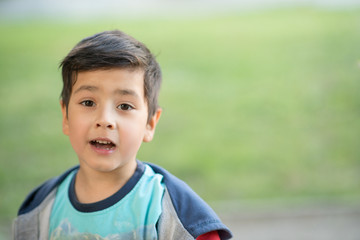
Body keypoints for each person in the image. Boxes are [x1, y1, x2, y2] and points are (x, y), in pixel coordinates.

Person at [13, 30, 233, 240]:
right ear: (66, 116)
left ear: (150, 124)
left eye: (125, 106)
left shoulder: (176, 215)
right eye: (88, 102)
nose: (105, 119)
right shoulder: (40, 209)